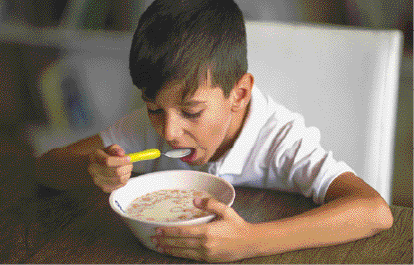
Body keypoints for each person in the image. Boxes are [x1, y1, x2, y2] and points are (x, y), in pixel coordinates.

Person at [35, 0, 393, 262]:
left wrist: (251, 240)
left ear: (239, 94)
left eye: (191, 112)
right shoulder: (145, 129)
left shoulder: (279, 140)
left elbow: (374, 211)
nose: (170, 132)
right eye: (154, 107)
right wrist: (93, 171)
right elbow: (45, 168)